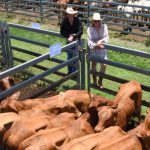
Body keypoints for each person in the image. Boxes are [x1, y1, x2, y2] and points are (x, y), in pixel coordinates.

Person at [87, 13, 109, 88]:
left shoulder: (104, 27)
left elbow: (106, 38)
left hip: (102, 49)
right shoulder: (89, 29)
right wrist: (96, 45)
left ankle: (100, 80)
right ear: (93, 21)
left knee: (104, 64)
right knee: (94, 64)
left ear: (100, 21)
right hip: (94, 49)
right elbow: (89, 41)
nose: (97, 22)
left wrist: (101, 41)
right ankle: (94, 80)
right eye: (95, 21)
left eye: (98, 21)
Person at [60, 6, 83, 74]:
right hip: (69, 41)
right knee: (69, 56)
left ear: (73, 14)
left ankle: (75, 72)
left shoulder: (78, 20)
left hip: (76, 41)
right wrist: (68, 36)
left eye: (71, 14)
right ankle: (70, 71)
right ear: (67, 14)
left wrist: (74, 36)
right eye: (68, 14)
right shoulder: (64, 20)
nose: (70, 15)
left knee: (76, 56)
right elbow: (62, 31)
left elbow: (81, 30)